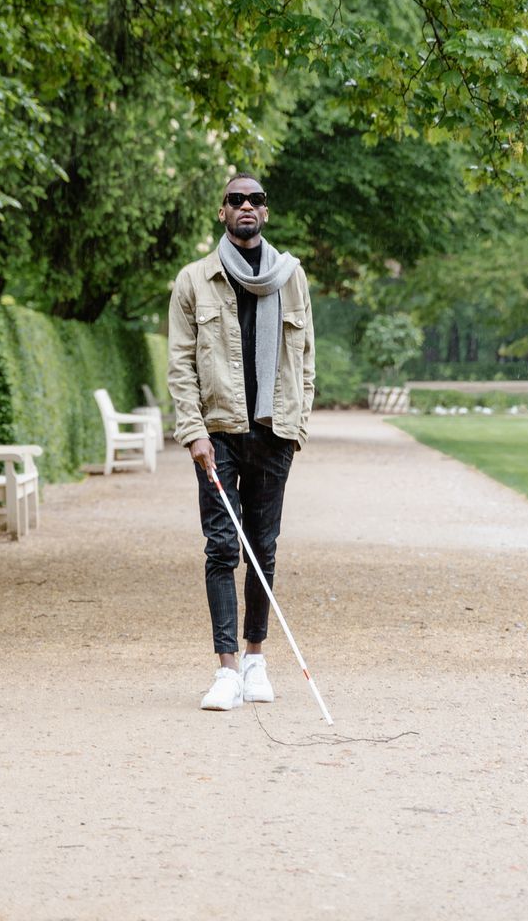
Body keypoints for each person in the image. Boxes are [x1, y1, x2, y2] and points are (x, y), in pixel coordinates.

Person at [167, 173, 315, 710]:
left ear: (266, 213)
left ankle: (256, 659)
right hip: (219, 434)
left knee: (263, 549)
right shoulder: (194, 280)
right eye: (236, 199)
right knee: (223, 548)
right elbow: (181, 365)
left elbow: (306, 360)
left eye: (255, 199)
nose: (246, 206)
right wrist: (193, 433)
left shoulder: (291, 276)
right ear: (222, 212)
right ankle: (226, 669)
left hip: (273, 433)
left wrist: (297, 427)